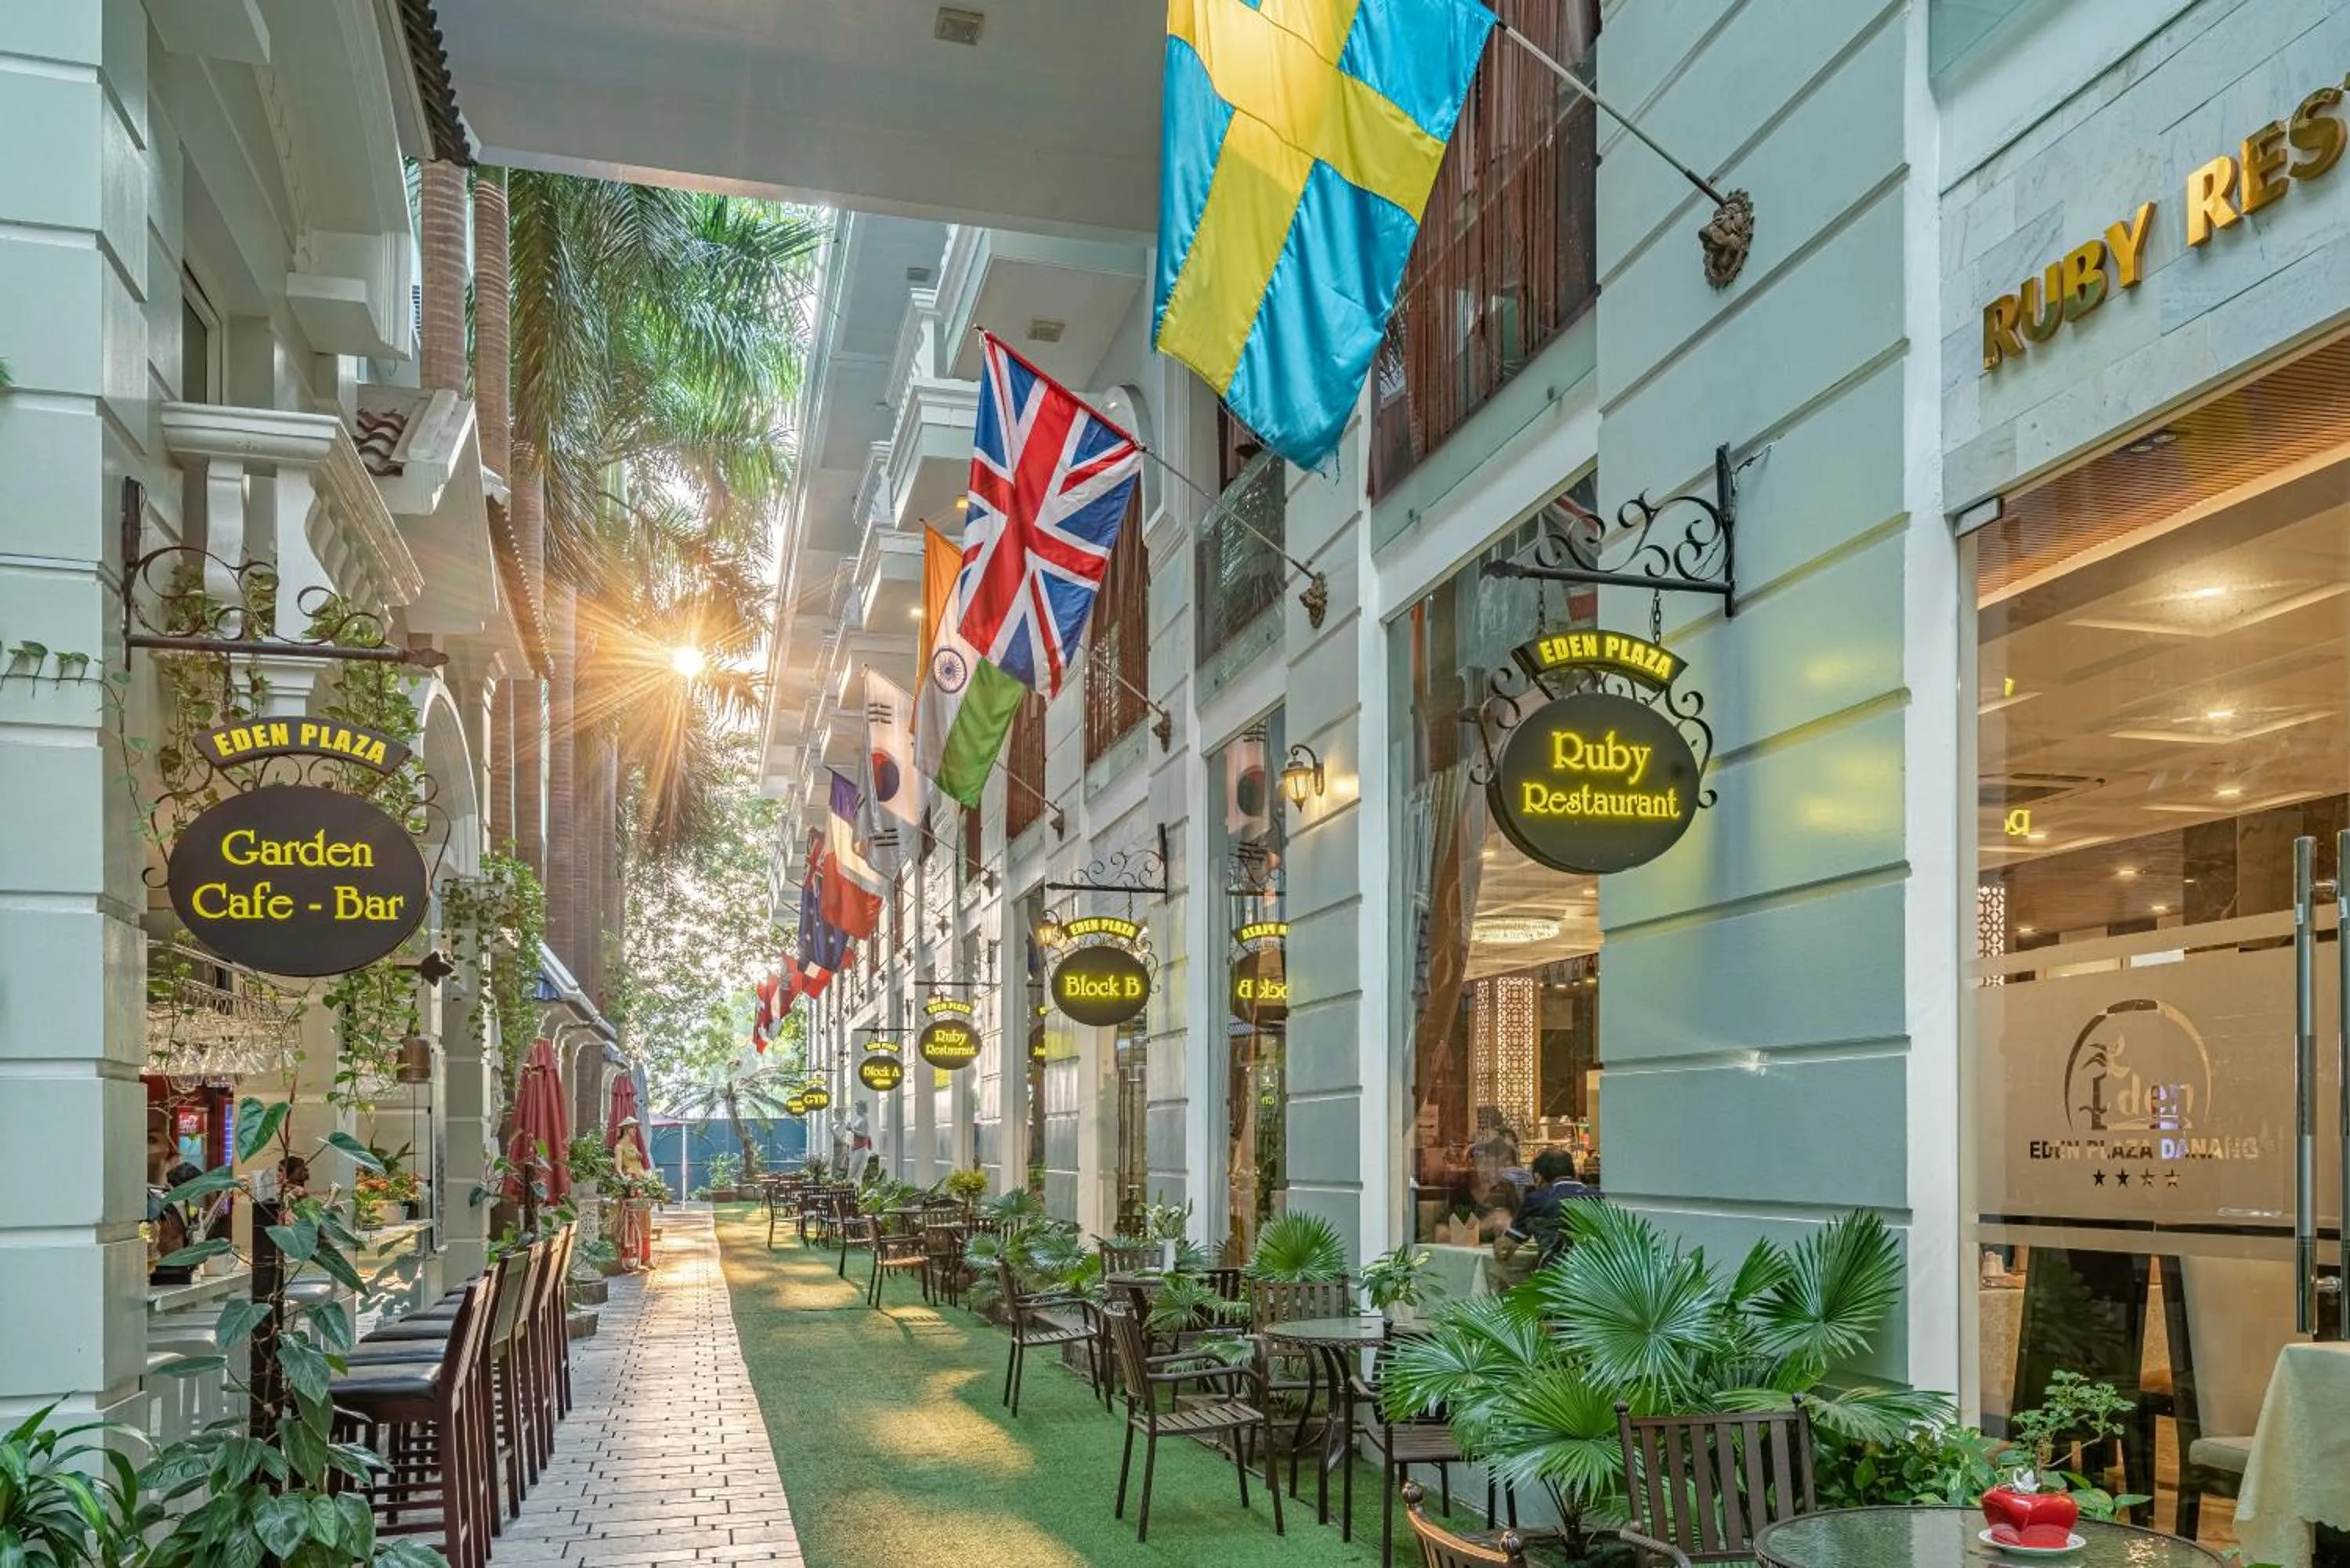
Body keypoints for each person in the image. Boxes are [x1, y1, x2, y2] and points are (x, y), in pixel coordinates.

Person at [1490, 1149, 1600, 1285]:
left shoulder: (1536, 1200)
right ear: (1575, 1173)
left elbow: (1504, 1250)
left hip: (1554, 1282)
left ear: (1538, 1177)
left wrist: (1497, 1232)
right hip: (1597, 1284)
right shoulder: (1599, 1196)